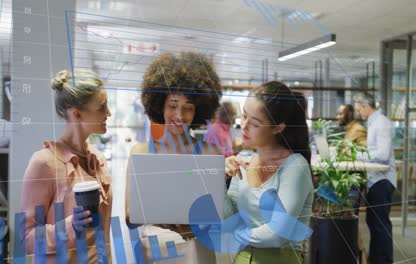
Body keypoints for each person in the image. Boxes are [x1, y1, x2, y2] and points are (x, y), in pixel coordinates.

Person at [125, 52, 222, 263]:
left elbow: (218, 215)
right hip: (156, 249)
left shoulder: (210, 153)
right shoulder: (140, 153)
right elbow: (130, 217)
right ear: (159, 104)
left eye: (188, 108)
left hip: (197, 248)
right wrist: (167, 221)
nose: (179, 116)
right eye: (172, 106)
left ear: (198, 111)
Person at [20, 70, 113, 263]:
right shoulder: (44, 163)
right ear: (78, 114)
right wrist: (69, 226)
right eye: (102, 107)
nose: (109, 113)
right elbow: (25, 239)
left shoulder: (98, 160)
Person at [225, 81, 314, 263]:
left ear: (277, 128)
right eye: (244, 116)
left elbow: (277, 233)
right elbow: (229, 218)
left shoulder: (295, 166)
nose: (244, 126)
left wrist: (235, 235)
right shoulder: (243, 161)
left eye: (255, 123)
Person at [354, 92, 396, 264]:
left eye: (359, 109)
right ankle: (376, 259)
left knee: (380, 224)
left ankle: (384, 261)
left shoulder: (381, 123)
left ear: (366, 106)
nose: (358, 113)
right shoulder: (374, 123)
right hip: (375, 179)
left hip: (383, 180)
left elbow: (383, 154)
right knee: (373, 222)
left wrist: (359, 154)